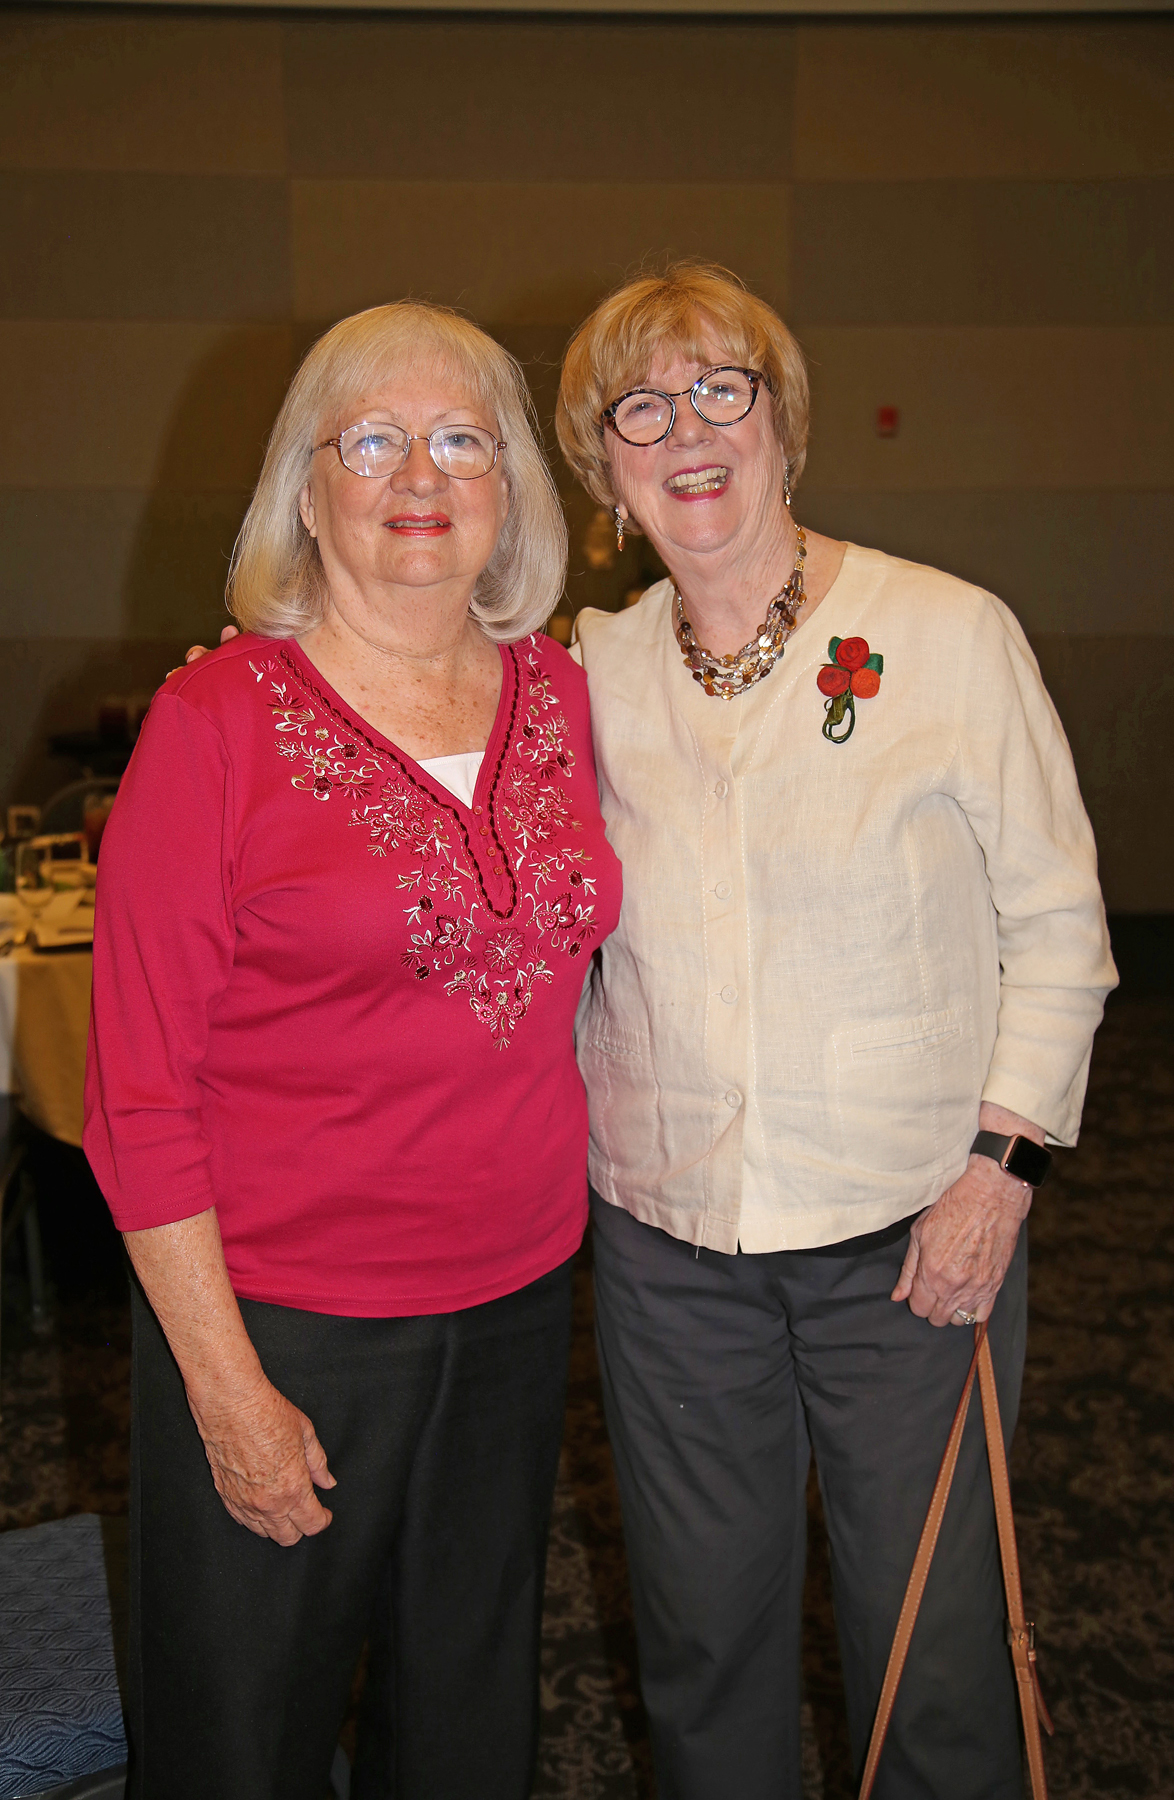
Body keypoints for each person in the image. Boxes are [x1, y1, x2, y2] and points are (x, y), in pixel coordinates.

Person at [553, 262, 1116, 1799]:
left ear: (783, 424)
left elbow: (1059, 930)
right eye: (640, 406)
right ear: (603, 470)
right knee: (700, 1650)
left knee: (932, 1656)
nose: (687, 428)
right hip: (671, 1246)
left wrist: (1000, 1172)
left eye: (721, 386)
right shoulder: (582, 675)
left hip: (913, 1239)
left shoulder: (943, 632)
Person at [83, 301, 622, 1800]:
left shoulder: (569, 701)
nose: (419, 475)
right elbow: (134, 1094)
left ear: (511, 486)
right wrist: (225, 1390)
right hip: (281, 1319)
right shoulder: (216, 722)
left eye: (463, 439)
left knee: (466, 1711)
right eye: (370, 440)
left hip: (513, 1301)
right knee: (244, 1732)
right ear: (304, 490)